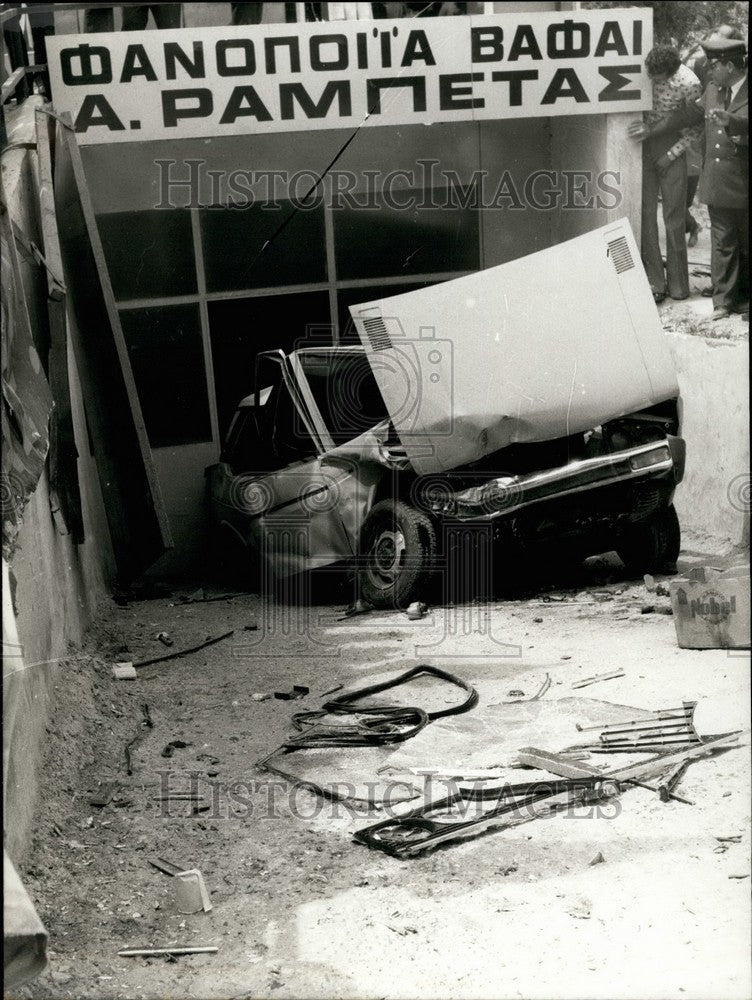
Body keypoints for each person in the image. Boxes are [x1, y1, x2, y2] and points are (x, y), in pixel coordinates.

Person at [631, 33, 748, 321]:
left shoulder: (706, 86)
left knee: (742, 242)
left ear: (729, 67)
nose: (708, 69)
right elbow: (685, 116)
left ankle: (736, 297)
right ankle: (721, 299)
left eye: (714, 64)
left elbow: (722, 124)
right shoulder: (712, 89)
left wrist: (731, 121)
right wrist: (652, 131)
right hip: (717, 178)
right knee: (721, 240)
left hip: (740, 179)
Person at [630, 45, 702, 303]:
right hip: (644, 142)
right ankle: (655, 282)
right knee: (646, 215)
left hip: (672, 145)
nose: (650, 78)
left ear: (670, 74)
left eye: (655, 75)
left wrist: (671, 154)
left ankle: (679, 286)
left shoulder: (690, 83)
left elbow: (696, 128)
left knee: (674, 217)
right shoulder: (643, 70)